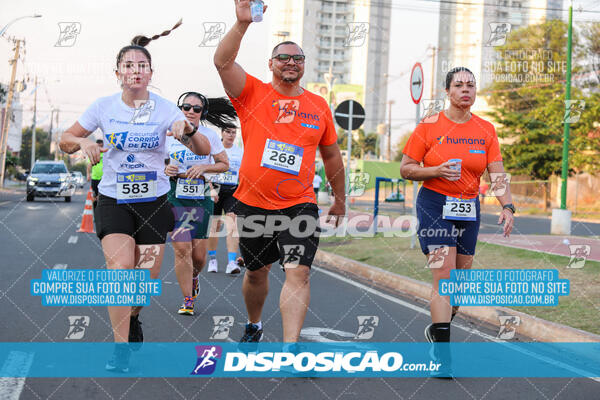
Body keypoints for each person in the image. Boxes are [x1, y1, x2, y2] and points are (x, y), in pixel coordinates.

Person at [59, 21, 211, 372]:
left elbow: (202, 149)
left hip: (154, 200)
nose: (135, 71)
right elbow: (66, 139)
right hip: (114, 199)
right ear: (118, 73)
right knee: (120, 271)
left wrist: (187, 129)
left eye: (141, 65)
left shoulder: (165, 109)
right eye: (128, 65)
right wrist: (82, 142)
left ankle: (134, 318)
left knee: (143, 285)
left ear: (150, 73)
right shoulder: (103, 106)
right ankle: (121, 348)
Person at [213, 0, 346, 343]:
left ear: (304, 65)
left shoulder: (318, 106)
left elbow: (332, 157)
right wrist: (242, 24)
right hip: (253, 203)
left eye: (297, 58)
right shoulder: (253, 93)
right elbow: (222, 62)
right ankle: (254, 323)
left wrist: (340, 200)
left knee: (298, 273)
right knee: (257, 274)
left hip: (298, 204)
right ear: (270, 64)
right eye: (283, 58)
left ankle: (289, 349)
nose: (290, 62)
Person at [400, 66, 515, 377]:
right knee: (444, 275)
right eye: (459, 85)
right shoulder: (429, 126)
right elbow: (407, 168)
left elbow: (497, 173)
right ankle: (442, 354)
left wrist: (508, 206)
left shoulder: (486, 130)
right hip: (434, 203)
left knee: (459, 287)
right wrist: (435, 171)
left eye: (471, 85)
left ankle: (437, 329)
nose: (466, 90)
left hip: (468, 208)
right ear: (448, 92)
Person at [164, 92, 237, 315]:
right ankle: (187, 299)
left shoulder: (209, 136)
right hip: (175, 194)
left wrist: (204, 168)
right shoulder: (167, 134)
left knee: (198, 256)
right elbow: (155, 161)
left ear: (202, 112)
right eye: (186, 107)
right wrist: (165, 168)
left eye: (196, 108)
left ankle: (195, 277)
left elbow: (223, 164)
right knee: (182, 249)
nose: (190, 111)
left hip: (201, 194)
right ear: (180, 108)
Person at [207, 124, 244, 274]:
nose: (231, 135)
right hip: (215, 187)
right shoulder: (214, 149)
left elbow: (243, 174)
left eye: (234, 133)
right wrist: (210, 189)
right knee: (214, 226)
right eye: (228, 132)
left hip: (232, 190)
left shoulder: (239, 152)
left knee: (232, 223)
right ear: (222, 133)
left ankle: (231, 262)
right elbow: (206, 170)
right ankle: (212, 260)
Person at [86, 139, 104, 208]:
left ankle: (101, 212)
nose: (100, 148)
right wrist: (88, 174)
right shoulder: (93, 153)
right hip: (95, 178)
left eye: (101, 146)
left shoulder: (106, 153)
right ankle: (95, 213)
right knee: (94, 197)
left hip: (104, 178)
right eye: (99, 146)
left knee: (102, 196)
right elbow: (89, 165)